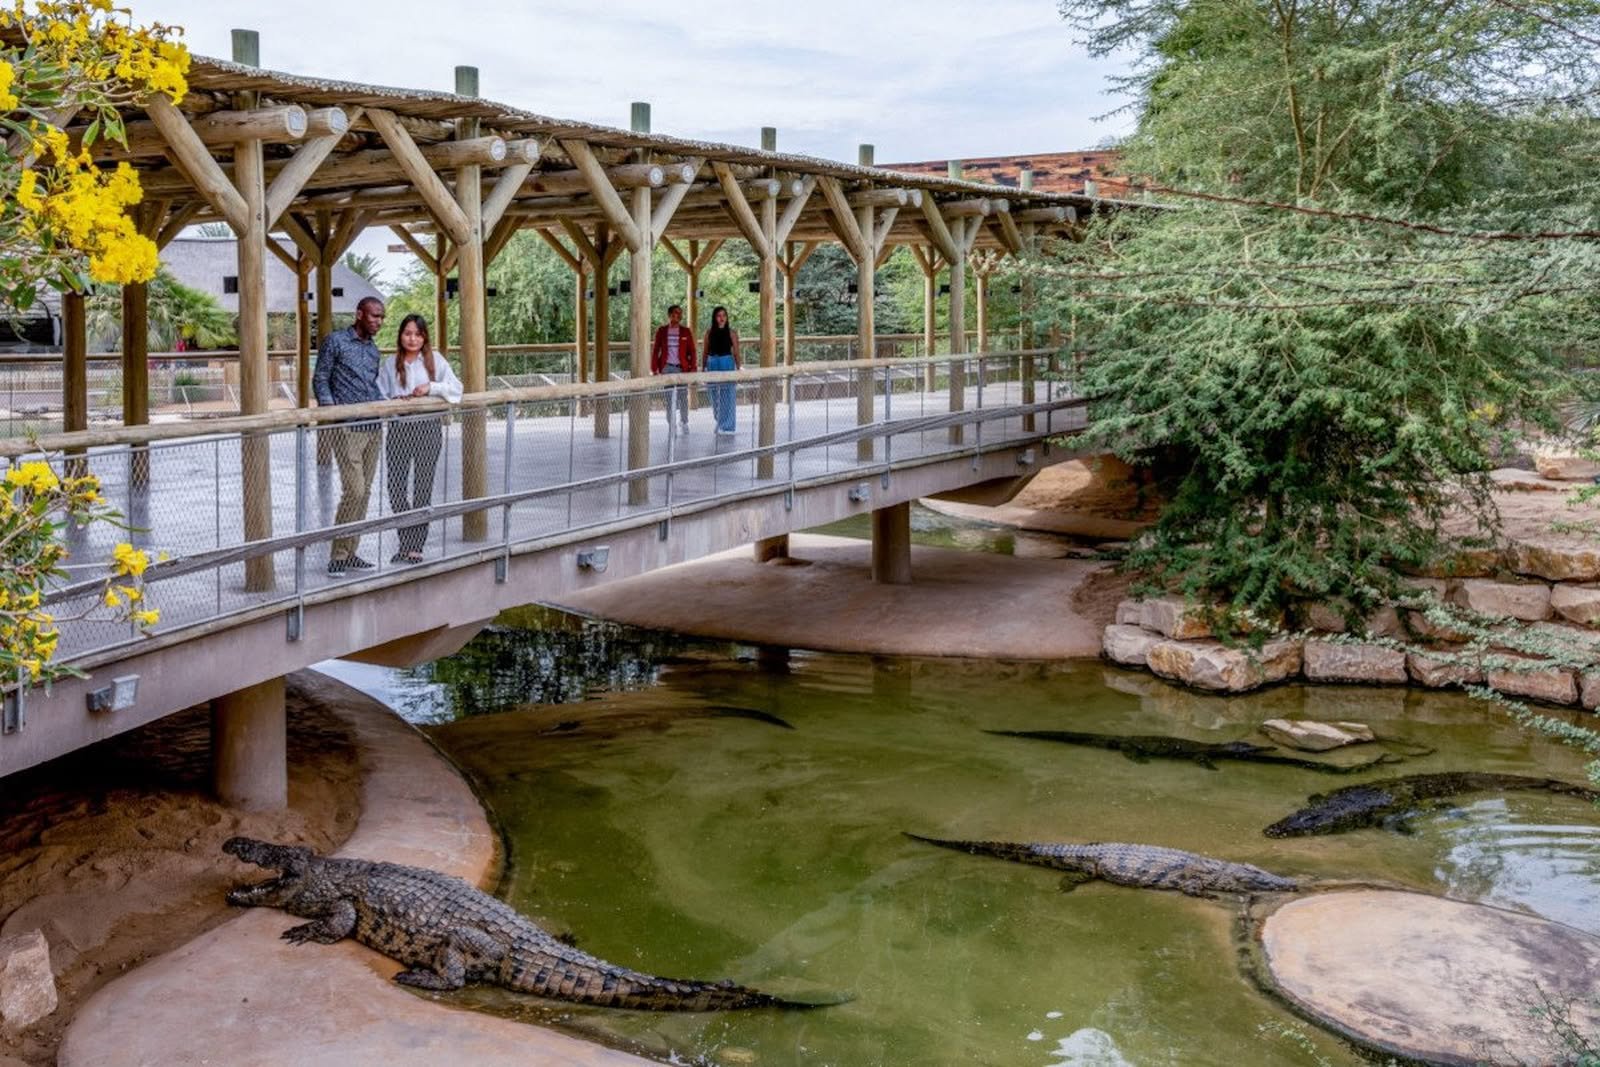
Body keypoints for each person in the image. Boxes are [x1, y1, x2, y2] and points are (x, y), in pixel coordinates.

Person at [377, 314, 461, 564]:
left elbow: (457, 389)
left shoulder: (435, 361)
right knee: (396, 489)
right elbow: (379, 392)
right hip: (399, 430)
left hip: (427, 429)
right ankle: (405, 541)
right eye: (407, 333)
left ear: (424, 337)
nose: (412, 338)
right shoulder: (391, 363)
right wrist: (392, 404)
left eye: (417, 334)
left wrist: (431, 388)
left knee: (423, 489)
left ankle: (415, 547)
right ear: (400, 335)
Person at [312, 296, 386, 576]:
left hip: (373, 427)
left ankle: (351, 551)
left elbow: (371, 384)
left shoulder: (373, 349)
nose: (378, 321)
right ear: (359, 314)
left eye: (381, 317)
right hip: (346, 427)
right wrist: (331, 410)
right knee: (353, 489)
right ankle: (338, 556)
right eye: (374, 316)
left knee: (365, 493)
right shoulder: (336, 342)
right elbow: (321, 378)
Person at [650, 304, 697, 435]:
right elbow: (656, 350)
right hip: (667, 368)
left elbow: (692, 351)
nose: (679, 315)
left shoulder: (686, 331)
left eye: (680, 313)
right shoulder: (662, 331)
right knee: (670, 398)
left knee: (682, 397)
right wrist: (654, 369)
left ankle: (684, 422)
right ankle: (672, 425)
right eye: (676, 313)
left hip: (682, 368)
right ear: (670, 315)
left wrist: (693, 368)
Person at [702, 305, 740, 436]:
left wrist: (738, 368)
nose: (722, 318)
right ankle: (719, 422)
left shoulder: (731, 333)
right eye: (719, 315)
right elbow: (705, 351)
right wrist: (703, 367)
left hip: (726, 361)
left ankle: (728, 426)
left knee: (728, 394)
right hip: (712, 362)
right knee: (714, 395)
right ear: (714, 318)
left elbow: (736, 352)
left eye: (724, 315)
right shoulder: (708, 333)